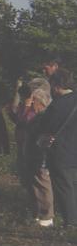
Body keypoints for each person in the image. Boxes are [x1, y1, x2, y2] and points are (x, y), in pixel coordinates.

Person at [39, 69, 77, 227]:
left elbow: (45, 126)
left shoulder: (57, 104)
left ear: (56, 85)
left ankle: (71, 223)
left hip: (61, 153)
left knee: (64, 189)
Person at [26, 88, 55, 226]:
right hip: (33, 154)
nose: (31, 105)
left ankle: (47, 215)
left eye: (33, 102)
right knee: (35, 184)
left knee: (43, 184)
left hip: (41, 155)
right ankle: (37, 213)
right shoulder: (38, 116)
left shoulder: (45, 116)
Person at [7, 80, 35, 186]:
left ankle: (29, 185)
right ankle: (24, 184)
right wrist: (11, 114)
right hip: (20, 139)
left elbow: (27, 121)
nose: (23, 98)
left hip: (28, 139)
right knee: (21, 164)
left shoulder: (32, 106)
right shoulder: (22, 106)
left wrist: (27, 107)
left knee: (26, 163)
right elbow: (19, 121)